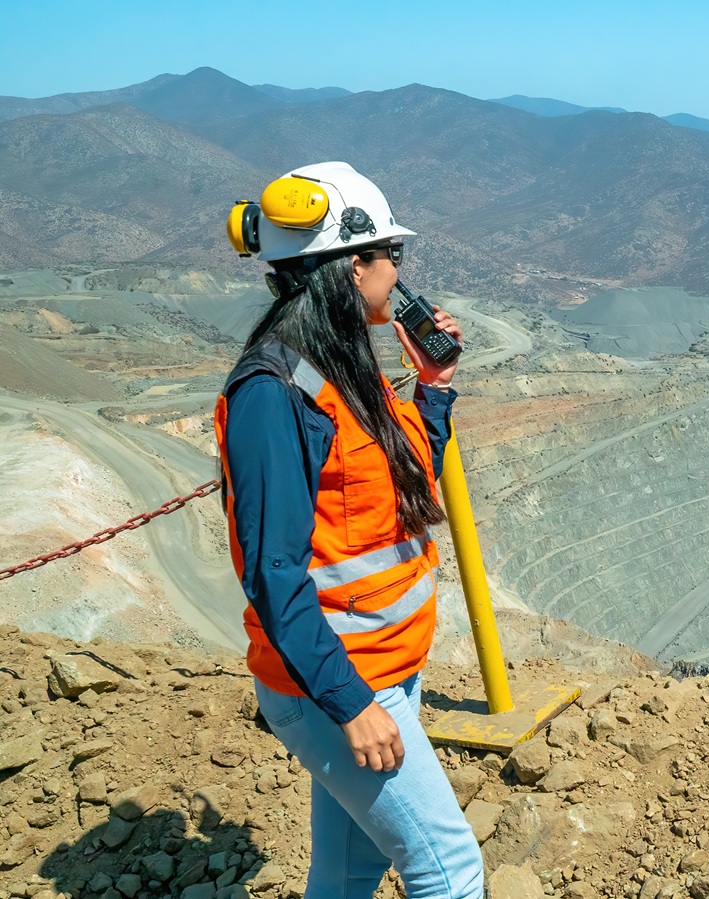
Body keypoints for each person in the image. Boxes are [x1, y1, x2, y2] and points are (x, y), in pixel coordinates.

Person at [215, 161, 483, 899]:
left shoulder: (335, 366)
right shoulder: (273, 393)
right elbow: (272, 572)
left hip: (384, 667)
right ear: (350, 266)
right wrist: (351, 704)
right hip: (343, 682)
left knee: (349, 871)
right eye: (389, 254)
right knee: (451, 870)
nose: (398, 272)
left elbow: (400, 489)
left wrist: (433, 388)